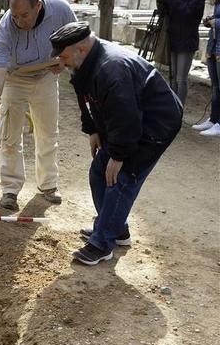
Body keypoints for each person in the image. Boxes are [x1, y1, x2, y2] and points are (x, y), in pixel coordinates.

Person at [50, 22, 182, 266]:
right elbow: (85, 94)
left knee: (122, 179)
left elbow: (128, 118)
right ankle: (115, 229)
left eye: (63, 55)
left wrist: (119, 156)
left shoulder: (112, 69)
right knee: (99, 173)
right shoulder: (86, 62)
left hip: (154, 124)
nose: (60, 60)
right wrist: (91, 129)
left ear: (80, 49)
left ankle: (102, 244)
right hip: (128, 124)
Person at [0, 0, 77, 211]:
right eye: (15, 15)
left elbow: (77, 37)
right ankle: (10, 189)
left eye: (25, 15)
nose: (19, 21)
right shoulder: (5, 30)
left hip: (46, 77)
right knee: (10, 136)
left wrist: (64, 58)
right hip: (15, 78)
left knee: (48, 133)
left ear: (38, 6)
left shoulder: (60, 9)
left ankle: (48, 185)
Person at [161, 0, 207, 104]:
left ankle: (179, 107)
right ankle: (172, 105)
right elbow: (172, 11)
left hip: (186, 42)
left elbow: (185, 11)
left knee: (181, 78)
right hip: (174, 39)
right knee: (174, 77)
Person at [193, 0, 220, 137]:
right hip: (213, 44)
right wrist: (209, 20)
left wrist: (216, 22)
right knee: (216, 87)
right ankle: (213, 119)